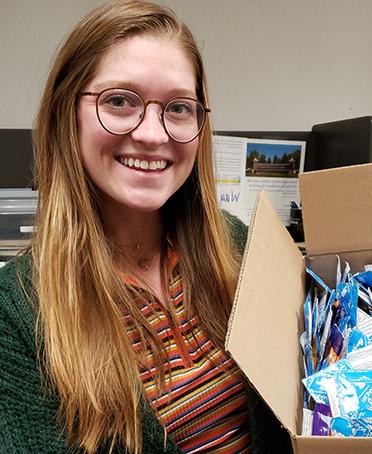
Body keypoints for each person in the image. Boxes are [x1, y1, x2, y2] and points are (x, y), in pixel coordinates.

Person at [0, 1, 291, 453]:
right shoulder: (16, 316)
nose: (153, 134)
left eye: (178, 107)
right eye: (119, 101)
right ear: (66, 113)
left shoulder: (237, 245)